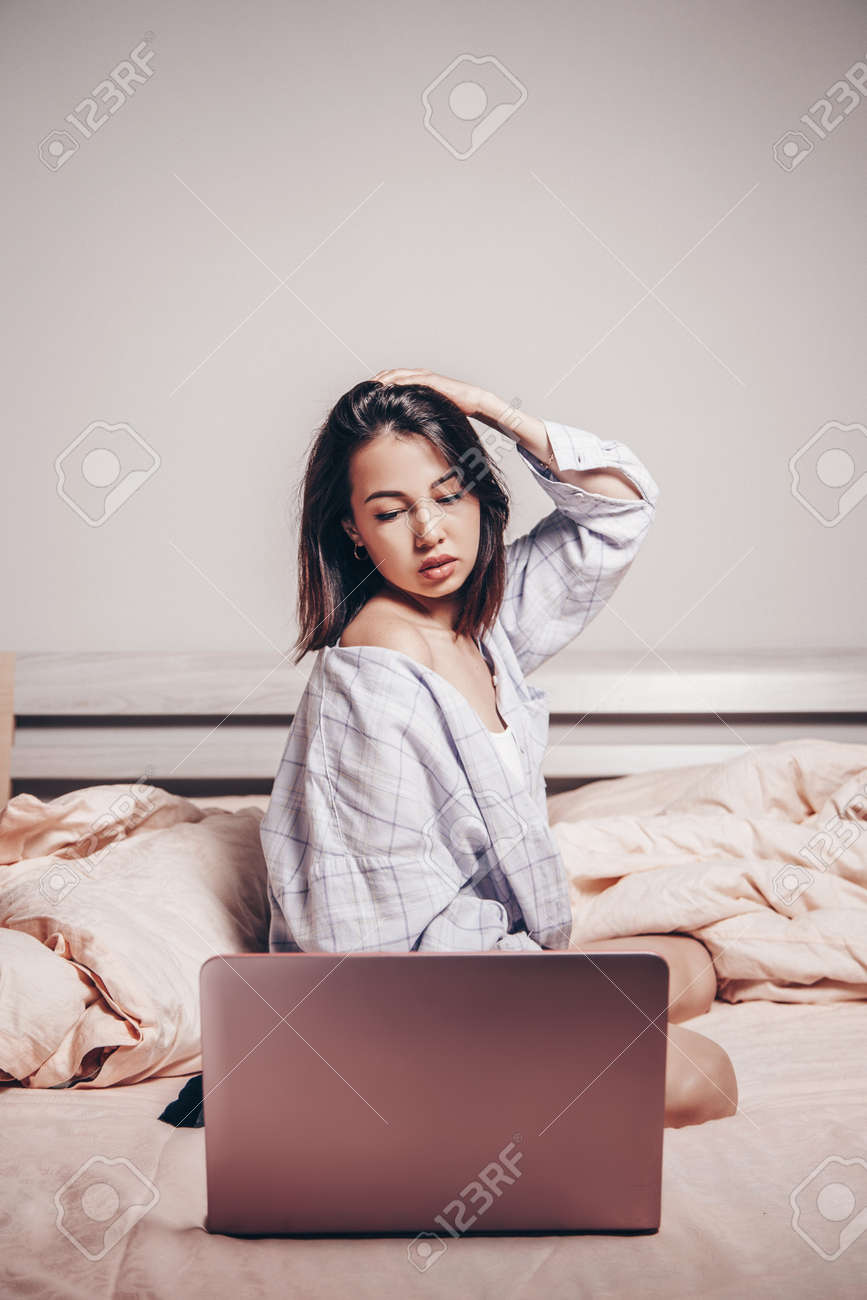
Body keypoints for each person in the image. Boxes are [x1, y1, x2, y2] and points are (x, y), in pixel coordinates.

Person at [259, 368, 738, 1128]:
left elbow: (619, 514)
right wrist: (533, 995)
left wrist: (493, 412)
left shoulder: (481, 620)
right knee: (706, 1080)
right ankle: (512, 1077)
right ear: (352, 529)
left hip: (504, 952)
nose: (428, 532)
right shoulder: (376, 673)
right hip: (425, 997)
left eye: (449, 495)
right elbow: (370, 943)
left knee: (693, 968)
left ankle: (566, 1029)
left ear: (480, 494)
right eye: (390, 512)